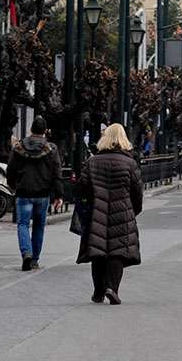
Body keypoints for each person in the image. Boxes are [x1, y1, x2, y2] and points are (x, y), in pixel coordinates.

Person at [76, 124, 143, 305]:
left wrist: (92, 201)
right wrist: (132, 210)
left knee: (98, 251)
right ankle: (112, 288)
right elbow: (137, 192)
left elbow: (82, 187)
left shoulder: (92, 162)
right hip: (122, 212)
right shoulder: (129, 163)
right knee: (117, 251)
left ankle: (98, 291)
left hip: (97, 210)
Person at [6, 116, 63, 271]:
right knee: (39, 226)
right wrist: (58, 195)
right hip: (43, 193)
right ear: (45, 131)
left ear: (31, 129)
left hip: (23, 191)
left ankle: (26, 253)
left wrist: (12, 185)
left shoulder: (18, 147)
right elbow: (57, 172)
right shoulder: (51, 149)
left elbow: (10, 169)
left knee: (23, 224)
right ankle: (34, 259)